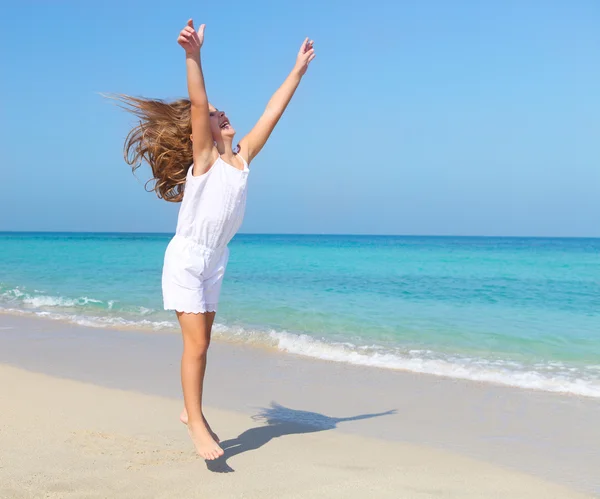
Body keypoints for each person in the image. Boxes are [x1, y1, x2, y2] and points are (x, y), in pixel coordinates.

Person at [115, 19, 315, 460]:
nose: (221, 115)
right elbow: (201, 100)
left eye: (223, 115)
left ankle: (190, 410)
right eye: (214, 116)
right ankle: (196, 420)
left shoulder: (241, 159)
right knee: (198, 346)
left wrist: (297, 71)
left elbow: (271, 113)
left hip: (215, 261)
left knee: (203, 345)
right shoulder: (204, 160)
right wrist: (193, 55)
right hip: (187, 258)